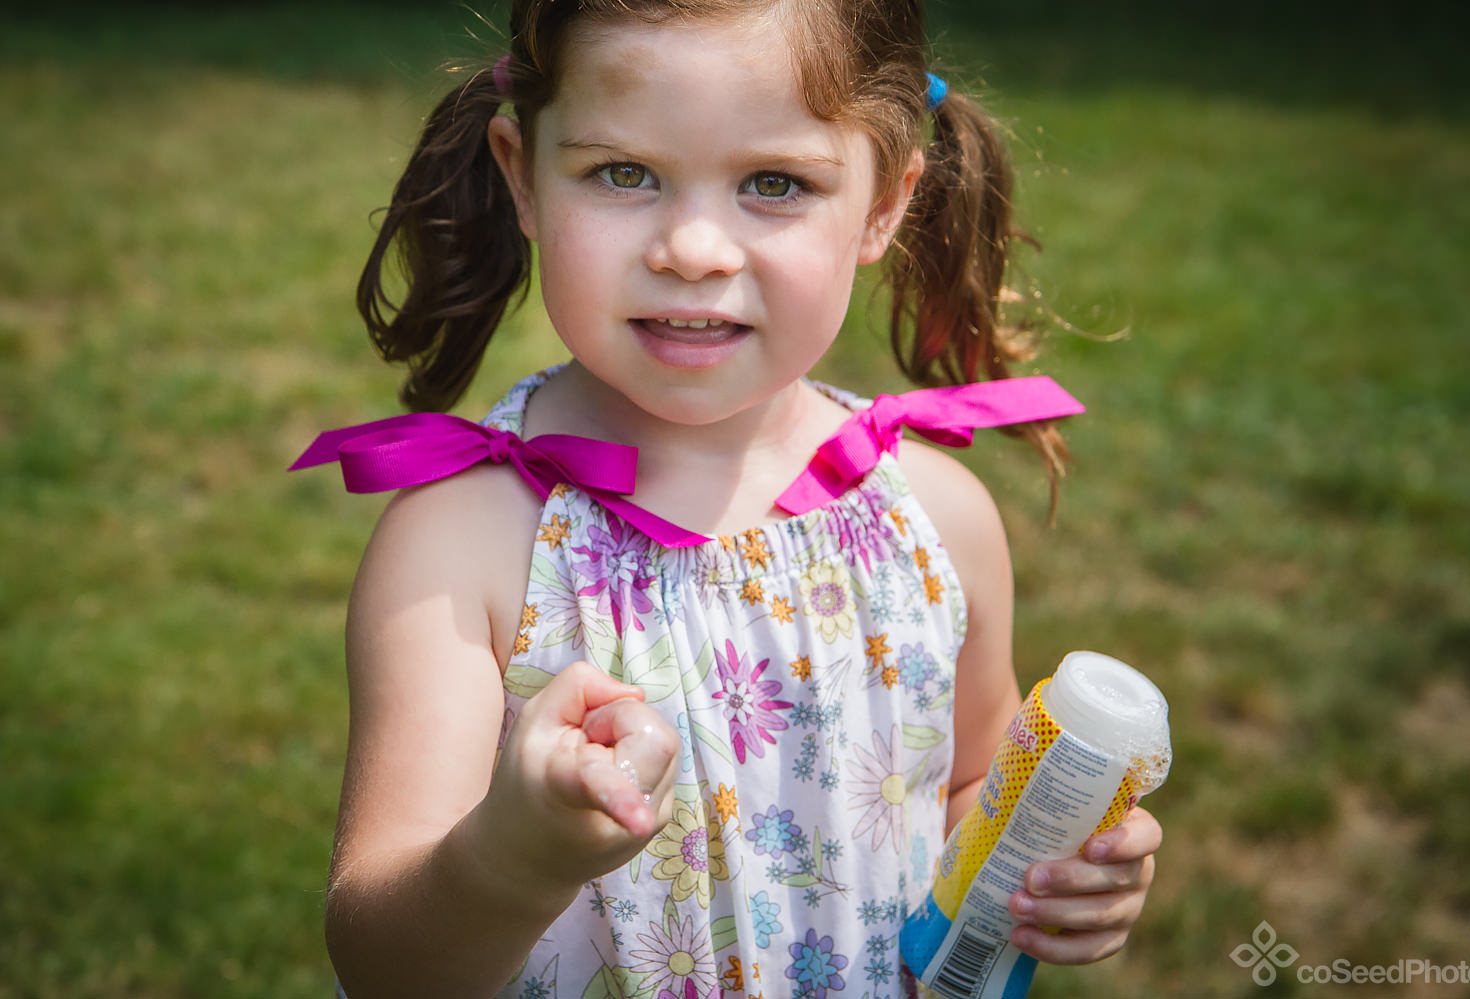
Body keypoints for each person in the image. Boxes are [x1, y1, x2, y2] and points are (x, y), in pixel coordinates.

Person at [296, 2, 1163, 997]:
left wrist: (1044, 867)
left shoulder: (936, 520)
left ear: (886, 202)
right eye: (623, 173)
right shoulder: (462, 547)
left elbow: (968, 785)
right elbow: (384, 967)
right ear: (521, 173)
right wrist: (512, 858)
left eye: (775, 183)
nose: (694, 248)